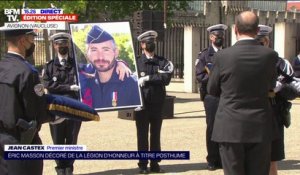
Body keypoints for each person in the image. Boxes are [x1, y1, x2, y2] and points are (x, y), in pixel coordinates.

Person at [207, 11, 278, 175]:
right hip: (260, 125)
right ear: (257, 30)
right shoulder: (270, 55)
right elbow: (271, 85)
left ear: (235, 29)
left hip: (230, 126)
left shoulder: (222, 56)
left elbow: (212, 89)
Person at [0, 29, 53, 175]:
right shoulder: (27, 72)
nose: (33, 44)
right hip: (22, 141)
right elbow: (35, 111)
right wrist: (54, 117)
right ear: (23, 41)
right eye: (31, 40)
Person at [256, 25, 300, 175]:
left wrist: (281, 87)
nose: (259, 45)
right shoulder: (243, 61)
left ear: (267, 41)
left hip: (273, 112)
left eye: (262, 42)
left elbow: (295, 87)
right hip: (250, 111)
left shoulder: (280, 63)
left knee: (271, 157)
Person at [42, 32, 81, 175]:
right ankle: (60, 168)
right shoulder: (50, 66)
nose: (62, 46)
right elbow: (48, 85)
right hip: (56, 108)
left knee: (71, 138)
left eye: (65, 44)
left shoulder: (76, 65)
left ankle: (69, 168)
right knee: (57, 139)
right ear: (54, 46)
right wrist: (69, 87)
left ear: (68, 45)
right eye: (59, 44)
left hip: (74, 107)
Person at [135, 30, 173, 174]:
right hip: (142, 103)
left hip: (157, 102)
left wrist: (148, 79)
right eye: (147, 42)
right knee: (142, 135)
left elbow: (166, 79)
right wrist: (156, 77)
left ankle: (155, 164)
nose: (150, 44)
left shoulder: (162, 61)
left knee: (156, 134)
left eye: (152, 42)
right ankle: (143, 165)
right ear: (142, 45)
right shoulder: (137, 62)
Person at [81, 25, 141, 110]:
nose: (100, 57)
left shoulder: (133, 85)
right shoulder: (83, 81)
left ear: (116, 52)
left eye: (106, 49)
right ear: (87, 54)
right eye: (94, 50)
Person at [195, 24, 227, 171]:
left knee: (226, 128)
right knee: (212, 127)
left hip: (227, 96)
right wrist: (217, 77)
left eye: (221, 35)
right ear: (211, 37)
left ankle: (223, 159)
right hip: (211, 96)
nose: (219, 38)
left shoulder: (228, 54)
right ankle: (212, 159)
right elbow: (200, 76)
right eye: (216, 36)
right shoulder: (204, 55)